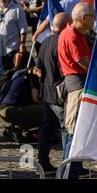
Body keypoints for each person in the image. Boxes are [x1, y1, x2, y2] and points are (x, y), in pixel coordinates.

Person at [57, 2, 93, 177]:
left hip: (79, 85)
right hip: (77, 87)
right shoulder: (71, 35)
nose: (95, 20)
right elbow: (86, 64)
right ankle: (67, 175)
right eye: (93, 17)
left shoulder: (78, 34)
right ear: (84, 19)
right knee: (75, 135)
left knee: (79, 135)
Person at [33, 12, 71, 173]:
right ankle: (67, 166)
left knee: (47, 129)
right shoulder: (62, 43)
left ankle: (42, 163)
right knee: (67, 130)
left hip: (47, 93)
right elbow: (64, 71)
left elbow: (38, 66)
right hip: (59, 95)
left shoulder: (46, 41)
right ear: (66, 25)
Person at [0, 68, 43, 143]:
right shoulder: (32, 77)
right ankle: (16, 128)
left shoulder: (18, 74)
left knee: (31, 110)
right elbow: (35, 98)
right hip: (10, 110)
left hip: (2, 109)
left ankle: (15, 128)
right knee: (46, 111)